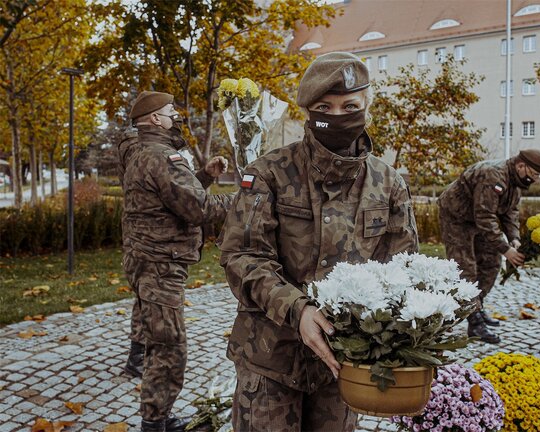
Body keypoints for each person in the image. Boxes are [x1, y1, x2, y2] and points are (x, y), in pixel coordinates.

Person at [218, 52, 419, 431]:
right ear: (309, 111)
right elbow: (241, 257)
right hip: (270, 359)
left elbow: (403, 271)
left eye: (350, 106)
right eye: (325, 107)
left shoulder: (388, 184)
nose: (338, 115)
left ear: (366, 108)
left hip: (343, 364)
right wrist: (300, 311)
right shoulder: (269, 174)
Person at [118, 90, 233, 432]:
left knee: (158, 337)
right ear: (154, 118)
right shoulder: (162, 156)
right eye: (170, 111)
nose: (175, 116)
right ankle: (156, 423)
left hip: (144, 258)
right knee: (169, 347)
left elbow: (175, 196)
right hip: (161, 264)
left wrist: (206, 176)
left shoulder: (141, 151)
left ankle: (152, 406)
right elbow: (198, 209)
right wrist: (248, 195)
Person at [437, 149, 540, 344]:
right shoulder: (493, 175)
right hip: (456, 217)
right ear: (521, 165)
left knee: (491, 262)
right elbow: (485, 216)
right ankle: (474, 322)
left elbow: (511, 213)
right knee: (466, 268)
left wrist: (514, 238)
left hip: (477, 220)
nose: (535, 180)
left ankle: (476, 306)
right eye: (533, 174)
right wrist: (506, 249)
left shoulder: (514, 183)